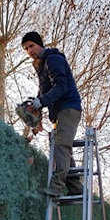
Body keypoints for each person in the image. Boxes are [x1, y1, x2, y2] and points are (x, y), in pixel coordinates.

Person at [21, 31, 83, 197]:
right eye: (26, 48)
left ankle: (56, 187)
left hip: (69, 108)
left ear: (40, 44)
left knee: (61, 146)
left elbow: (61, 86)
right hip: (58, 113)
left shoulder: (53, 59)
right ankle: (75, 187)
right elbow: (43, 92)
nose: (29, 51)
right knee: (62, 148)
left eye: (31, 46)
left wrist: (42, 102)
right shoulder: (41, 66)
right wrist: (37, 116)